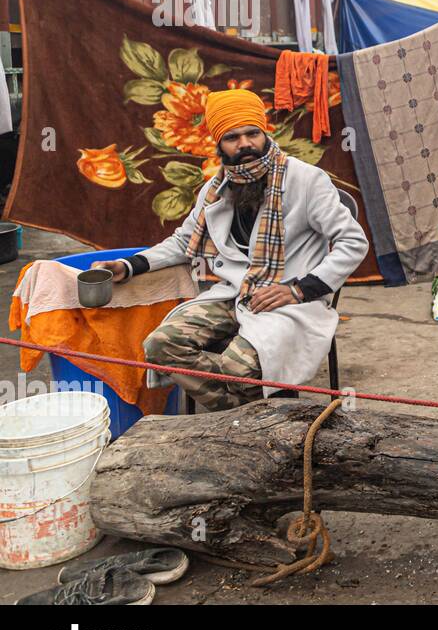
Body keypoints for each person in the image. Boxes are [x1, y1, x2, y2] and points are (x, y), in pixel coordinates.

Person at [95, 89, 369, 411]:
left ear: (264, 133)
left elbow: (353, 242)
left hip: (290, 302)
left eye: (252, 133)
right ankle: (245, 416)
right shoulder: (216, 188)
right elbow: (185, 241)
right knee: (161, 346)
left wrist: (298, 289)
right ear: (219, 145)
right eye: (232, 137)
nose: (244, 145)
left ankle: (240, 417)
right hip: (235, 294)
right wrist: (129, 265)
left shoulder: (306, 180)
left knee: (240, 372)